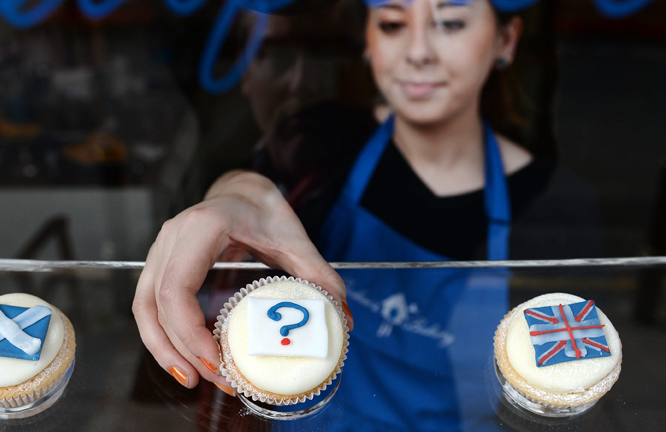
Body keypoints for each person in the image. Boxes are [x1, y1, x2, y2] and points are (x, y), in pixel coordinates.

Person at [133, 0, 603, 430]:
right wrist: (232, 193)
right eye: (393, 23)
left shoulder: (555, 204)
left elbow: (556, 383)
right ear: (369, 43)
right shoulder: (323, 141)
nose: (418, 52)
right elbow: (250, 192)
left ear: (506, 39)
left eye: (451, 22)